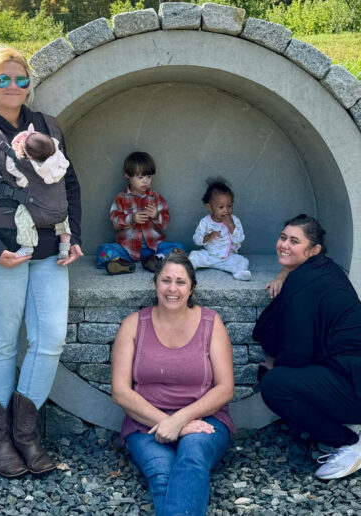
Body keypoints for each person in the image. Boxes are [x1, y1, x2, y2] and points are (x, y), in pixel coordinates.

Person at [0, 46, 83, 478]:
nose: (13, 86)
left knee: (50, 339)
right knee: (1, 342)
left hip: (48, 250)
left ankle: (26, 435)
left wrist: (74, 236)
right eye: (3, 78)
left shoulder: (47, 126)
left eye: (20, 79)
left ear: (30, 83)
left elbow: (69, 184)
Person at [112, 251, 235, 515]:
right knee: (162, 474)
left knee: (193, 455)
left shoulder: (211, 323)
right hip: (145, 422)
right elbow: (120, 392)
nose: (172, 289)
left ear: (191, 288)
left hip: (205, 419)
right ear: (156, 283)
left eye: (180, 282)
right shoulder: (133, 325)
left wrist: (180, 421)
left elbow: (225, 388)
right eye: (166, 280)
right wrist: (168, 423)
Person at [253, 214, 361, 480]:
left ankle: (348, 444)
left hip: (354, 383)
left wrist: (275, 364)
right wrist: (285, 272)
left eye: (294, 241)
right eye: (283, 237)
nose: (284, 245)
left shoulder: (305, 282)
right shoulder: (323, 270)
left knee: (275, 384)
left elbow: (298, 351)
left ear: (314, 250)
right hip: (350, 375)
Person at [0, 123, 72, 259]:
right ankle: (65, 247)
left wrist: (16, 149)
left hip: (39, 212)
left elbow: (15, 174)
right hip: (60, 211)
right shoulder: (59, 161)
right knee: (64, 223)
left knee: (22, 216)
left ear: (29, 156)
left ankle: (27, 246)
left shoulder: (28, 166)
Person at [96, 151, 184, 275]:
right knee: (103, 250)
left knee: (179, 248)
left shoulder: (156, 198)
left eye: (149, 177)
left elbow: (165, 223)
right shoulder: (121, 198)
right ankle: (120, 263)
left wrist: (156, 216)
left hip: (154, 248)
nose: (145, 181)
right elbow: (115, 221)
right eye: (140, 177)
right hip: (126, 249)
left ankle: (155, 260)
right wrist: (131, 218)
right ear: (127, 175)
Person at [188, 178, 251, 281]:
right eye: (221, 207)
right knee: (194, 255)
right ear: (209, 207)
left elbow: (239, 239)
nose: (226, 210)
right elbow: (197, 239)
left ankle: (240, 273)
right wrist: (208, 236)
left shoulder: (234, 221)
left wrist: (231, 226)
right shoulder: (205, 221)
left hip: (228, 257)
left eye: (229, 206)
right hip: (209, 255)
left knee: (243, 261)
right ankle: (188, 268)